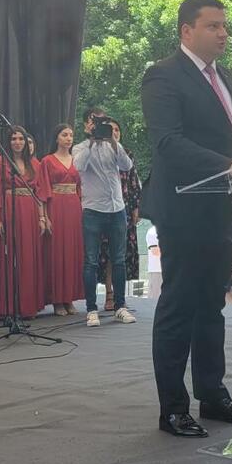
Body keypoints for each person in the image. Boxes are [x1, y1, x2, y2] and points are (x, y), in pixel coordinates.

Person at [140, 0, 232, 437]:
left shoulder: (228, 78)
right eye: (213, 26)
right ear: (186, 31)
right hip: (183, 209)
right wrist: (228, 166)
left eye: (224, 26)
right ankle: (173, 408)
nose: (223, 33)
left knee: (213, 304)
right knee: (180, 304)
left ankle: (212, 395)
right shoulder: (163, 76)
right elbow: (167, 143)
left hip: (223, 207)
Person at [73, 108, 135, 326]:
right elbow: (78, 167)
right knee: (90, 261)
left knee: (118, 260)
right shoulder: (80, 147)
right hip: (93, 210)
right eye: (93, 122)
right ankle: (91, 309)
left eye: (101, 122)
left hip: (117, 209)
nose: (98, 126)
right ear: (86, 126)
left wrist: (113, 142)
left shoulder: (113, 146)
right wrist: (92, 141)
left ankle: (120, 306)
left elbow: (127, 166)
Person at [0, 126, 48, 320]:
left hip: (30, 210)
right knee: (9, 257)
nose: (17, 142)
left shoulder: (35, 164)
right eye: (13, 139)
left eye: (21, 139)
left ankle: (27, 305)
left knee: (28, 256)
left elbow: (40, 193)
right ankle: (9, 306)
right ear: (7, 142)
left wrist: (42, 218)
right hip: (9, 207)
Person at [96, 119, 142, 312]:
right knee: (108, 253)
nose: (114, 132)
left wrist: (136, 208)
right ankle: (109, 294)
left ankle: (119, 297)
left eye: (117, 130)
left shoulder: (126, 153)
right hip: (104, 208)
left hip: (124, 207)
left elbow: (133, 181)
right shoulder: (97, 153)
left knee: (121, 254)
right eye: (111, 129)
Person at [39, 122, 85, 316]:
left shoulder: (77, 160)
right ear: (56, 138)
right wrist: (44, 216)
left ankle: (69, 298)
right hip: (56, 206)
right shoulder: (47, 161)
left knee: (73, 251)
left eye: (71, 135)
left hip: (74, 207)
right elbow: (42, 190)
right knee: (56, 252)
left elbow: (81, 187)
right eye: (64, 135)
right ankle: (57, 299)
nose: (68, 138)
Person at [145, 222, 163, 299]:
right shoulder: (153, 232)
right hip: (157, 271)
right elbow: (155, 251)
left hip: (168, 271)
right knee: (154, 300)